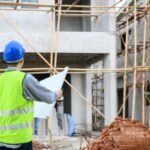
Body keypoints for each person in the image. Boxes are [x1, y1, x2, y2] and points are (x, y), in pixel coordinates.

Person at [0, 40, 62, 150]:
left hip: (2, 140)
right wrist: (56, 94)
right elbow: (48, 97)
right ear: (22, 61)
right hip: (21, 140)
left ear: (6, 60)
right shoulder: (24, 79)